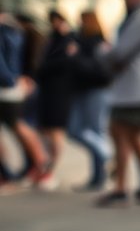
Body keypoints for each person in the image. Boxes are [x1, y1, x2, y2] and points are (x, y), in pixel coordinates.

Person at [95, 0, 140, 207]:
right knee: (121, 131)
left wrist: (101, 51)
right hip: (129, 90)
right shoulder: (133, 18)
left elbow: (119, 53)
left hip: (138, 89)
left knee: (131, 132)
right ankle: (133, 182)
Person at [32, 11, 79, 191]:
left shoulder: (70, 40)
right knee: (44, 129)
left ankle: (50, 170)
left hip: (61, 92)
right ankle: (44, 167)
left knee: (56, 131)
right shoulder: (51, 39)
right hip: (48, 91)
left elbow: (63, 63)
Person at [67, 11, 113, 191]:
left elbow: (100, 70)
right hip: (80, 90)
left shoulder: (99, 43)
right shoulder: (77, 40)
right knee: (75, 130)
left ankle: (98, 177)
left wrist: (75, 56)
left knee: (95, 130)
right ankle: (105, 154)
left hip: (97, 90)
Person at [0, 13, 47, 190]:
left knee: (18, 126)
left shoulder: (8, 31)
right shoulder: (15, 31)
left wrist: (10, 80)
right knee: (19, 126)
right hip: (14, 84)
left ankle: (39, 165)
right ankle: (39, 165)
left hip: (7, 86)